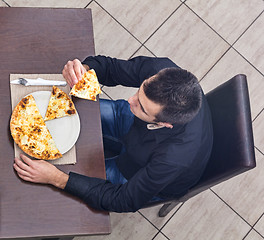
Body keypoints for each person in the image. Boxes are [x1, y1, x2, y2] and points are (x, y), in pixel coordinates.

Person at [13, 56, 213, 213]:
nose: (129, 100)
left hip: (137, 169)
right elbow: (110, 68)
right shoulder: (162, 71)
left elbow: (125, 200)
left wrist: (57, 179)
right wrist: (85, 68)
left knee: (63, 180)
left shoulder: (174, 160)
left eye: (141, 106)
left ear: (165, 123)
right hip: (134, 125)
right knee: (72, 108)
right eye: (139, 91)